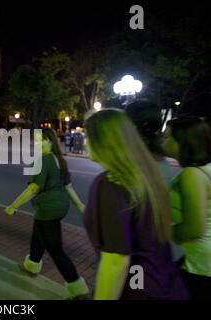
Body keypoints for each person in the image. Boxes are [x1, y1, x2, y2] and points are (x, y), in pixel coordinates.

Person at [83, 109, 189, 300]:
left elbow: (116, 261)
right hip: (164, 283)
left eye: (87, 136)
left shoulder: (109, 183)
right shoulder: (145, 173)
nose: (85, 142)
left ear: (101, 142)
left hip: (139, 289)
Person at [5, 128, 89, 299]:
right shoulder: (59, 160)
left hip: (48, 209)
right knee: (38, 235)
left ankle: (78, 289)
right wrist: (80, 205)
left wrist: (13, 206)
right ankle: (32, 265)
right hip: (58, 207)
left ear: (51, 141)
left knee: (55, 249)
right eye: (35, 140)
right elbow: (68, 187)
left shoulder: (43, 160)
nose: (37, 144)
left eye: (41, 140)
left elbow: (33, 188)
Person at [125, 100, 184, 262]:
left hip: (150, 254)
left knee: (137, 286)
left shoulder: (138, 161)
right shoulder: (156, 156)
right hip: (166, 250)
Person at [164, 116, 211, 300]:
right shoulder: (205, 168)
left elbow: (193, 229)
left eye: (168, 137)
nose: (163, 140)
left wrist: (166, 231)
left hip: (202, 265)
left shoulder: (192, 175)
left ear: (182, 142)